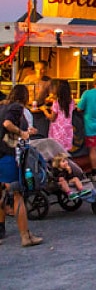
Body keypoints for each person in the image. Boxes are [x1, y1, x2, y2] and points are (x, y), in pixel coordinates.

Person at [0, 84, 42, 247]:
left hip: (0, 154)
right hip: (8, 155)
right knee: (17, 194)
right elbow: (7, 124)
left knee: (1, 192)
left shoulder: (3, 106)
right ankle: (25, 235)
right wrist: (22, 132)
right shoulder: (17, 107)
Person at [42, 79, 75, 152]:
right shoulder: (72, 102)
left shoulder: (57, 103)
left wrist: (44, 110)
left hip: (57, 131)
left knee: (56, 152)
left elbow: (52, 118)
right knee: (65, 152)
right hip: (67, 130)